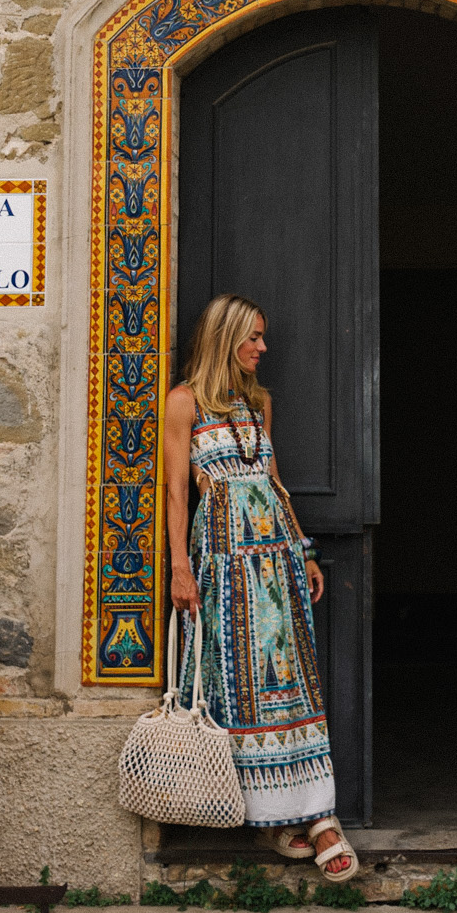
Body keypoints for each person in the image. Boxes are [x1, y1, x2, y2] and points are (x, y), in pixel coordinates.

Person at [163, 294, 359, 880]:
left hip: (277, 562)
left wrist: (304, 548)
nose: (262, 348)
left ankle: (320, 817)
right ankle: (276, 819)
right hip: (222, 563)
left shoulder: (258, 403)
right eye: (253, 337)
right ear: (226, 339)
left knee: (292, 679)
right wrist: (179, 566)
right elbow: (176, 490)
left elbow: (275, 482)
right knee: (238, 685)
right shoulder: (184, 403)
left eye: (263, 337)